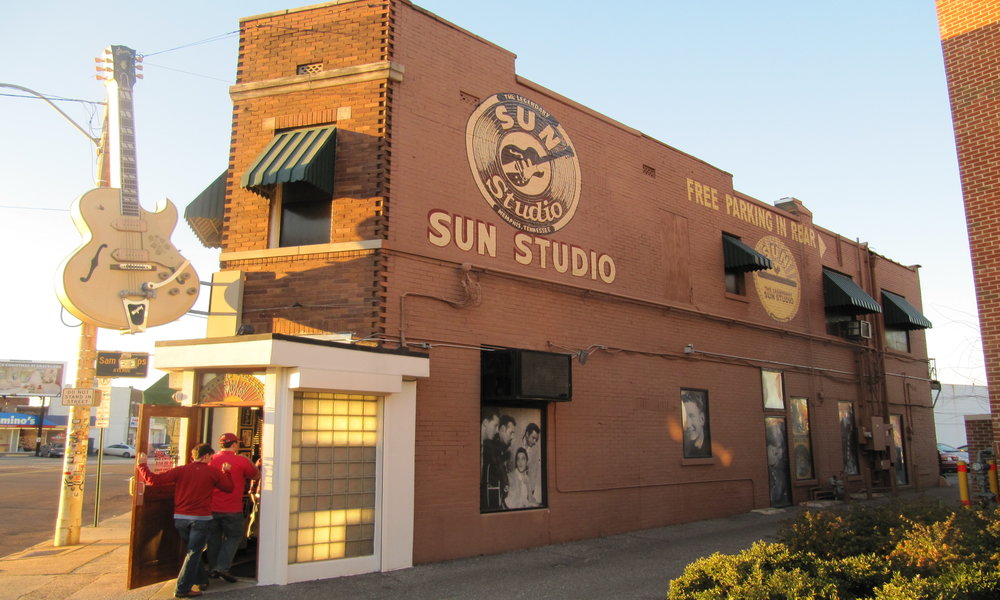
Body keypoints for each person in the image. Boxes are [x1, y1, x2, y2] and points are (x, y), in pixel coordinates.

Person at [136, 443, 233, 599]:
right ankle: (182, 588)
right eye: (211, 457)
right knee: (194, 552)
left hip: (181, 518)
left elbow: (154, 480)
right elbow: (229, 487)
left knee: (192, 551)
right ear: (207, 456)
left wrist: (142, 465)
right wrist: (226, 472)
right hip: (201, 518)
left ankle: (201, 580)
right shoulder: (212, 472)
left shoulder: (181, 470)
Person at [206, 433, 259, 583]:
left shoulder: (210, 460)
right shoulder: (241, 460)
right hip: (232, 507)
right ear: (234, 444)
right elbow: (256, 475)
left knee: (213, 538)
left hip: (211, 507)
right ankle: (222, 567)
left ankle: (212, 568)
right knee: (235, 536)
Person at [481, 414, 516, 510]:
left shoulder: (504, 449)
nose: (512, 437)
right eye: (511, 433)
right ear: (503, 429)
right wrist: (506, 482)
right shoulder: (490, 444)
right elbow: (498, 464)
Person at [681, 391, 711, 458]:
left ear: (702, 419)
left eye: (692, 416)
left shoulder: (708, 448)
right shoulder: (685, 449)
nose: (688, 425)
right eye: (684, 418)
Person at [518, 423, 542, 504]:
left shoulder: (535, 449)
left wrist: (531, 492)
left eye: (537, 439)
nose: (535, 442)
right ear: (527, 434)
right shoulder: (516, 443)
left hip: (525, 483)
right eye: (533, 438)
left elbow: (533, 471)